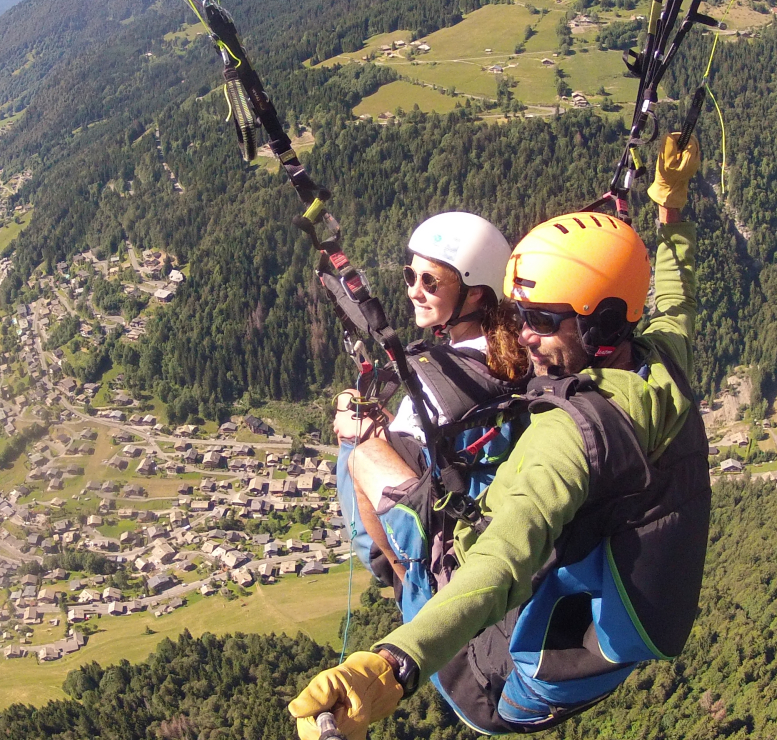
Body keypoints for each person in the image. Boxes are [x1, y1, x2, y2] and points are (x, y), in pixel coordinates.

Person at [292, 134, 711, 738]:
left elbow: (501, 560)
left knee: (359, 450)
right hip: (600, 621)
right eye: (520, 314)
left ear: (604, 325)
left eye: (541, 320)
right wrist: (670, 209)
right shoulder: (660, 361)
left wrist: (393, 665)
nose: (526, 333)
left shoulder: (571, 438)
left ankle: (398, 573)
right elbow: (674, 295)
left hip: (496, 684)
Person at [333, 211, 527, 589]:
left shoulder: (455, 374)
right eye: (411, 275)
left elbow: (429, 447)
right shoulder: (510, 347)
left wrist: (364, 433)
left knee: (352, 428)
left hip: (414, 529)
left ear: (475, 293)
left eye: (429, 282)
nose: (413, 290)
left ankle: (403, 580)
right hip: (435, 483)